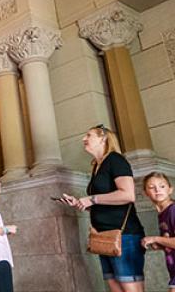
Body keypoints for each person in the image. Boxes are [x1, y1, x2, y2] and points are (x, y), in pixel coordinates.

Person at [60, 124, 145, 292]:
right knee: (114, 286)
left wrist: (92, 199)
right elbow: (102, 203)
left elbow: (128, 195)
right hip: (103, 236)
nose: (83, 139)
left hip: (124, 235)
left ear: (103, 138)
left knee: (130, 287)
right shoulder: (96, 166)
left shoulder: (115, 160)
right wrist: (81, 203)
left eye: (89, 135)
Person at [141, 172, 175, 289]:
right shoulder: (162, 214)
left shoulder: (173, 210)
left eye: (162, 186)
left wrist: (155, 238)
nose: (157, 190)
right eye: (151, 187)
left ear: (170, 190)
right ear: (146, 193)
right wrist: (159, 244)